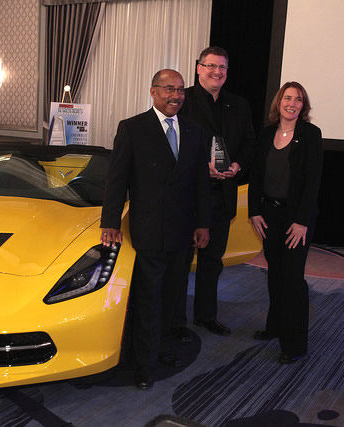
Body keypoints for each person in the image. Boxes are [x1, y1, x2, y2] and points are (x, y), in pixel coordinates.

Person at [100, 69, 211, 389]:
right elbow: (116, 180)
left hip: (183, 231)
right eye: (168, 89)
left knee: (173, 299)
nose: (176, 96)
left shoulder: (194, 130)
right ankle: (142, 364)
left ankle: (162, 350)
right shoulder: (133, 128)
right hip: (148, 231)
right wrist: (109, 222)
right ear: (153, 92)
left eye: (180, 90)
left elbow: (201, 184)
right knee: (148, 299)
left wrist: (203, 223)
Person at [176, 46, 256, 338]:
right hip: (188, 197)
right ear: (198, 68)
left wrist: (237, 165)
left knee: (212, 261)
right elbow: (172, 145)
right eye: (210, 66)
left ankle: (206, 316)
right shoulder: (182, 100)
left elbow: (249, 144)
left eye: (222, 68)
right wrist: (201, 167)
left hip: (222, 196)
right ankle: (175, 321)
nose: (216, 72)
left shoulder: (239, 105)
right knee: (181, 262)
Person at [248, 81, 323, 364]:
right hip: (268, 216)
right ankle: (275, 327)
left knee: (292, 280)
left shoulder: (311, 134)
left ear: (303, 106)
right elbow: (256, 176)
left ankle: (294, 344)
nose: (292, 103)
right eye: (288, 98)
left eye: (299, 100)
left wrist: (302, 221)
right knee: (275, 273)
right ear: (278, 102)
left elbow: (312, 182)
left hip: (296, 220)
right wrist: (254, 212)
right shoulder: (267, 134)